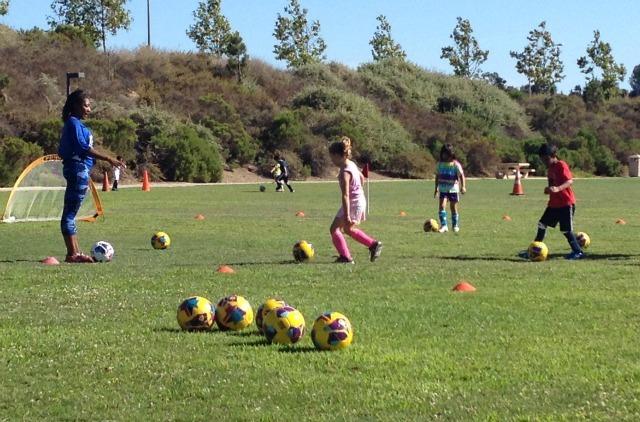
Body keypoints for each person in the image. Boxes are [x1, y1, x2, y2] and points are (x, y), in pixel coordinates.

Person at [58, 90, 124, 263]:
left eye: (89, 106)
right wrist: (109, 159)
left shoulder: (77, 124)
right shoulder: (73, 123)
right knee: (69, 215)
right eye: (86, 105)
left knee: (70, 213)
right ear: (75, 106)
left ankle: (74, 253)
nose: (89, 109)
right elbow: (82, 148)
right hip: (77, 170)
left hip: (80, 170)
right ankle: (73, 254)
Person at [520, 144, 584, 260]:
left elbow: (569, 181)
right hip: (554, 204)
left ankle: (578, 252)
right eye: (542, 160)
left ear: (553, 155)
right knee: (542, 224)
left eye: (546, 159)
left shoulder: (561, 165)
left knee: (566, 230)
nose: (544, 162)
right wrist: (548, 189)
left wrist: (558, 188)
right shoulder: (550, 169)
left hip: (566, 203)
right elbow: (551, 185)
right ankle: (534, 249)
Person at [329, 137, 382, 264]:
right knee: (348, 229)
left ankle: (346, 257)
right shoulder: (351, 164)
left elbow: (345, 195)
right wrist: (358, 190)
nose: (331, 160)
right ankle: (373, 245)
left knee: (334, 229)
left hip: (352, 203)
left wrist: (347, 215)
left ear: (338, 155)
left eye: (332, 157)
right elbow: (362, 177)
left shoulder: (344, 173)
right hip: (359, 200)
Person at [434, 144, 466, 233]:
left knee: (453, 207)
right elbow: (437, 176)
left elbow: (461, 175)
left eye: (447, 154)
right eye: (444, 154)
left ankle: (455, 225)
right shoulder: (440, 164)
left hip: (453, 189)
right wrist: (436, 188)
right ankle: (444, 226)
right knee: (441, 206)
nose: (445, 156)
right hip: (443, 189)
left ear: (451, 154)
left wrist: (463, 186)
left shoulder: (455, 164)